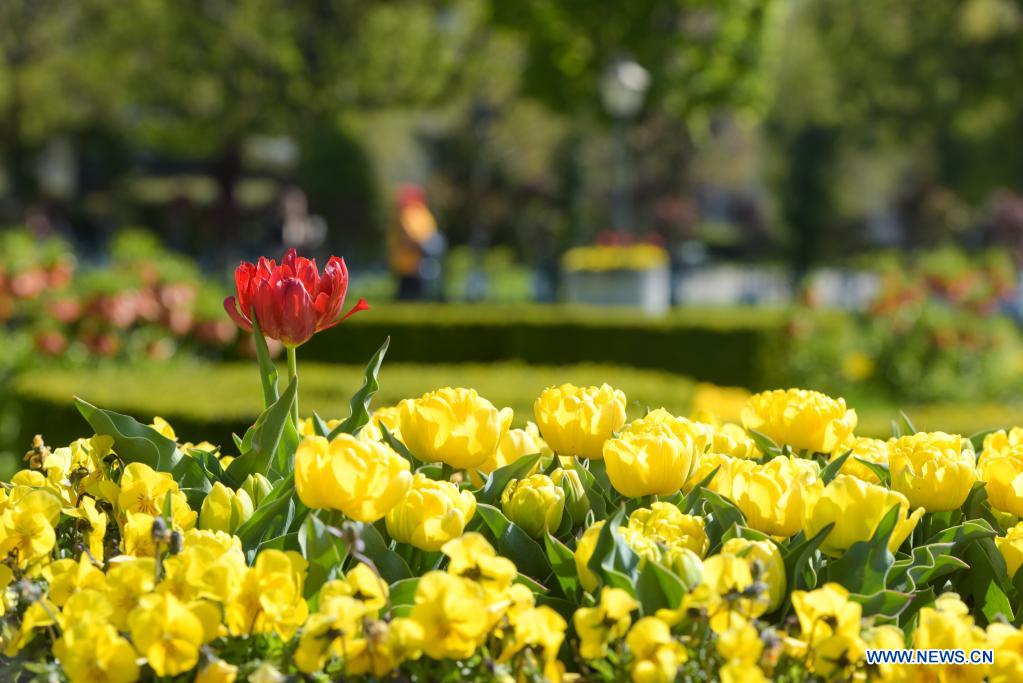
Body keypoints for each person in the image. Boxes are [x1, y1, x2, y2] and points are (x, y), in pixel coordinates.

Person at [388, 184, 442, 300]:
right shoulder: (423, 213)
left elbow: (411, 237)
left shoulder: (410, 214)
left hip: (411, 265)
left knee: (408, 298)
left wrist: (419, 247)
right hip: (409, 265)